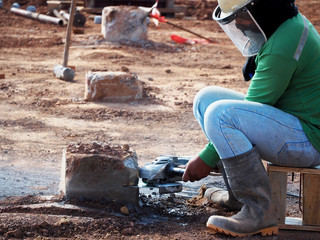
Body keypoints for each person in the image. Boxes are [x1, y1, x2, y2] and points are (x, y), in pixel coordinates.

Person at [182, 0, 320, 237]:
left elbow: (257, 104)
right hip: (295, 123)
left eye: (241, 15)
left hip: (309, 140)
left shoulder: (284, 43)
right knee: (206, 100)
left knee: (221, 115)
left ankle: (259, 212)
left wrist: (206, 158)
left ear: (261, 9)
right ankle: (239, 198)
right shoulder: (285, 24)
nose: (238, 23)